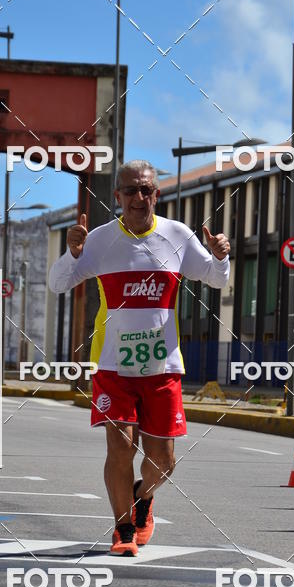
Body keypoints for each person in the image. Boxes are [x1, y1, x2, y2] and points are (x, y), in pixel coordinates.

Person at [48, 160, 230, 556]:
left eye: (146, 190)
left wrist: (218, 257)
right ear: (117, 197)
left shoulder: (176, 236)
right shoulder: (98, 241)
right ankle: (123, 528)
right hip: (113, 366)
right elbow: (58, 283)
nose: (138, 197)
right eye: (130, 191)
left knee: (164, 460)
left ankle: (142, 497)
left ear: (156, 195)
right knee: (121, 448)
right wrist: (72, 253)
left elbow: (217, 278)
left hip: (162, 366)